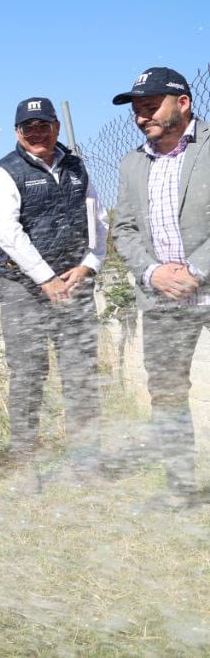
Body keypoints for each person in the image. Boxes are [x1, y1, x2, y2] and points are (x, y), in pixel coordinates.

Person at [0, 97, 106, 464]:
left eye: (44, 125)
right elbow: (6, 232)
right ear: (17, 133)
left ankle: (87, 460)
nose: (37, 133)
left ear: (57, 127)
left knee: (81, 371)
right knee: (29, 372)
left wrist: (89, 265)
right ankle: (26, 461)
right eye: (29, 128)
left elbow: (97, 219)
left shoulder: (77, 166)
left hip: (73, 282)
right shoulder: (3, 173)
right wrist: (46, 277)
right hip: (23, 288)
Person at [111, 67, 209, 505]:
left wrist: (196, 270)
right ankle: (180, 487)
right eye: (137, 111)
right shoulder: (132, 163)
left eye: (150, 107)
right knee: (167, 393)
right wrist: (153, 273)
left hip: (204, 281)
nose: (141, 117)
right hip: (162, 298)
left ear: (183, 103)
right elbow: (124, 229)